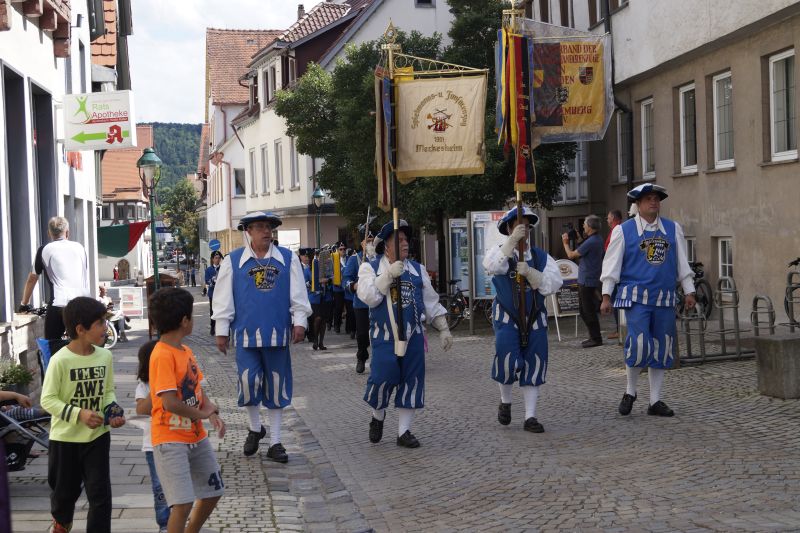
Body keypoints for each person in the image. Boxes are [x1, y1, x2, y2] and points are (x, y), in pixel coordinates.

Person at [212, 211, 312, 463]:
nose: (266, 232)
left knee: (277, 386)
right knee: (248, 382)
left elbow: (298, 295)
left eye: (268, 227)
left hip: (277, 334)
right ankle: (255, 427)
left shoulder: (287, 259)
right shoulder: (233, 261)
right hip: (245, 335)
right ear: (248, 231)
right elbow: (223, 299)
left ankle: (276, 442)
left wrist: (300, 322)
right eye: (259, 227)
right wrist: (222, 331)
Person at [600, 184, 696, 418]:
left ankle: (655, 400)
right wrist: (606, 295)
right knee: (640, 344)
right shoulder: (625, 230)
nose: (654, 202)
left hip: (664, 297)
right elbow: (611, 265)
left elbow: (682, 262)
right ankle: (630, 391)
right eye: (649, 199)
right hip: (636, 297)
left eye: (656, 199)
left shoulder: (673, 229)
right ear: (638, 204)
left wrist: (689, 290)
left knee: (662, 347)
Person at [357, 220, 453, 448]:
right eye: (398, 240)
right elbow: (368, 297)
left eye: (406, 239)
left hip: (414, 337)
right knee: (382, 379)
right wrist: (388, 275)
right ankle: (377, 417)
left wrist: (443, 328)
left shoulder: (417, 270)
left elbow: (431, 302)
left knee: (412, 380)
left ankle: (404, 431)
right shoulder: (370, 268)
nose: (405, 243)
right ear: (386, 245)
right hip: (384, 338)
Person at [40, 296, 126, 533]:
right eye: (99, 323)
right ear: (80, 329)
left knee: (100, 496)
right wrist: (79, 414)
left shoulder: (105, 356)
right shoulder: (60, 360)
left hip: (97, 438)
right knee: (64, 496)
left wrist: (113, 411)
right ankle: (61, 524)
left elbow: (107, 392)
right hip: (65, 439)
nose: (105, 328)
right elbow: (47, 400)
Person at [148, 287, 225, 533]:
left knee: (214, 490)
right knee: (181, 503)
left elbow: (198, 391)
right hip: (170, 440)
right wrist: (202, 414)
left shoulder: (186, 351)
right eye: (191, 315)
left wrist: (211, 411)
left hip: (195, 437)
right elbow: (169, 402)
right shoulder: (161, 355)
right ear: (184, 321)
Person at [484, 207, 562, 434]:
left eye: (526, 225)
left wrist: (531, 273)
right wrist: (510, 245)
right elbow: (491, 267)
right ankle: (505, 401)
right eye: (518, 225)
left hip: (535, 317)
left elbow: (553, 284)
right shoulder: (497, 252)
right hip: (507, 316)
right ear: (508, 228)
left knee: (535, 363)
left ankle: (530, 416)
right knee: (507, 359)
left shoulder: (540, 257)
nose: (523, 229)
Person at [18, 216, 89, 339]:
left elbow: (32, 279)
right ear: (67, 232)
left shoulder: (44, 250)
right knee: (83, 343)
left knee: (52, 344)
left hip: (59, 303)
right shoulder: (80, 248)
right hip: (83, 303)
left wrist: (24, 303)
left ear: (49, 233)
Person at [134, 340, 170, 533]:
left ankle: (180, 520)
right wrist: (157, 383)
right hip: (154, 444)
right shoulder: (145, 386)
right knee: (160, 486)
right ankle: (165, 524)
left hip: (177, 439)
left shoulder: (175, 379)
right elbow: (142, 409)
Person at [562, 215, 604, 348]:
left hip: (586, 279)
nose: (583, 226)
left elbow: (571, 255)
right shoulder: (596, 239)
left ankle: (596, 338)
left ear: (590, 227)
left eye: (585, 224)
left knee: (588, 310)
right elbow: (585, 249)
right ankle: (593, 336)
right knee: (584, 310)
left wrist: (565, 243)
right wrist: (579, 238)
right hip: (589, 278)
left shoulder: (592, 241)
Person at [344, 232, 375, 373]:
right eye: (367, 241)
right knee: (362, 334)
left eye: (372, 241)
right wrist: (353, 285)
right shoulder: (354, 259)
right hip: (361, 304)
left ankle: (379, 360)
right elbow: (346, 279)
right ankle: (361, 357)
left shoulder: (380, 259)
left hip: (378, 303)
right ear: (362, 243)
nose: (370, 244)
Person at [310, 249, 334, 350]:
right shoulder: (313, 266)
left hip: (326, 296)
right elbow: (308, 281)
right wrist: (318, 282)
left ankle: (321, 342)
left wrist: (329, 280)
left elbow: (333, 279)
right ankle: (315, 340)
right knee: (317, 318)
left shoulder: (329, 266)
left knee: (323, 320)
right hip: (315, 297)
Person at [605, 209, 624, 340]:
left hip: (617, 272)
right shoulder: (615, 230)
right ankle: (619, 328)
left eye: (608, 217)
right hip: (615, 270)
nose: (607, 220)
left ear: (613, 218)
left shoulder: (618, 230)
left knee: (617, 302)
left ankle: (619, 329)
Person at [205, 251, 223, 336]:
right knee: (212, 311)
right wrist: (212, 281)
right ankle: (213, 327)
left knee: (222, 310)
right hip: (212, 293)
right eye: (216, 258)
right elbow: (207, 281)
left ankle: (222, 328)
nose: (218, 260)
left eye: (219, 258)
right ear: (212, 259)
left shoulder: (223, 268)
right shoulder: (209, 269)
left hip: (222, 293)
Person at [331, 243, 347, 334]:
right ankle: (336, 325)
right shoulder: (333, 259)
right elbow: (329, 273)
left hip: (347, 288)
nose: (343, 251)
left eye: (344, 249)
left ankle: (349, 328)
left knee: (350, 307)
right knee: (338, 307)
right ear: (337, 250)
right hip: (338, 288)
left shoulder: (349, 259)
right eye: (341, 249)